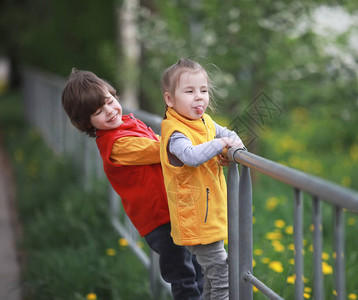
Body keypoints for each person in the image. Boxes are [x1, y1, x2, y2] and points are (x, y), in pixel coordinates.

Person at [61, 68, 204, 300]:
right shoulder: (117, 145)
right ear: (87, 123)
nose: (109, 111)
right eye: (98, 112)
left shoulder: (128, 124)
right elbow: (162, 149)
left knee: (199, 270)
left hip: (174, 211)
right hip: (161, 222)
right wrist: (204, 143)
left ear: (114, 96)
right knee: (184, 278)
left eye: (109, 101)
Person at [159, 58, 245, 300]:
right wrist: (219, 145)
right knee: (221, 272)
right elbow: (191, 156)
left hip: (208, 214)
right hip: (195, 218)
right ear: (169, 99)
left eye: (204, 90)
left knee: (214, 273)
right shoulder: (176, 132)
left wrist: (235, 148)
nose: (199, 97)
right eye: (189, 91)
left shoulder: (203, 121)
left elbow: (228, 133)